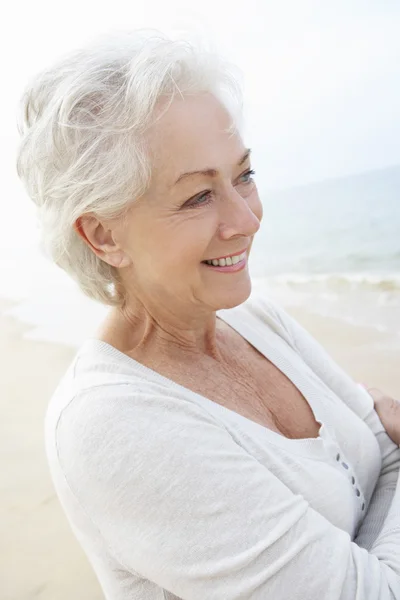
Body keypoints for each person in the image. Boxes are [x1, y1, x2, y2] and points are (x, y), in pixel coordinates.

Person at [16, 30, 400, 599]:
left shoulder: (254, 319)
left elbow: (384, 451)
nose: (246, 219)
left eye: (243, 174)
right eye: (198, 197)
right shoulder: (115, 426)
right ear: (102, 236)